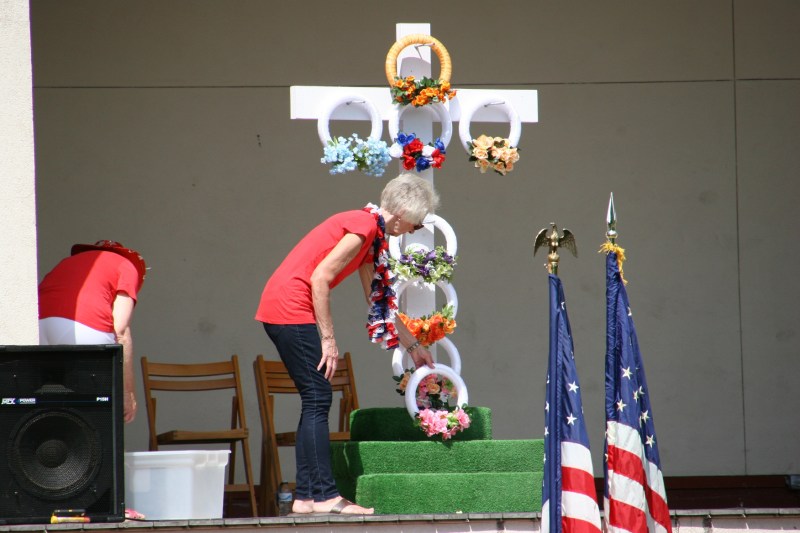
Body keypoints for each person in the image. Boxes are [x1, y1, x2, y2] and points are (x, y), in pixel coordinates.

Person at [255, 173, 440, 515]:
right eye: (415, 223)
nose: (414, 230)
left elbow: (377, 299)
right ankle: (324, 496)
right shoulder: (364, 226)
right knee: (318, 396)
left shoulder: (370, 234)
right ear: (401, 214)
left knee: (315, 397)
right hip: (289, 307)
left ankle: (307, 498)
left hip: (284, 308)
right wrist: (328, 339)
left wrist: (412, 346)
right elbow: (320, 278)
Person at [38, 240, 146, 424]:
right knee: (98, 408)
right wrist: (127, 393)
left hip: (39, 326)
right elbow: (120, 330)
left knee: (53, 404)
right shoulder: (127, 265)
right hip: (85, 329)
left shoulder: (68, 262)